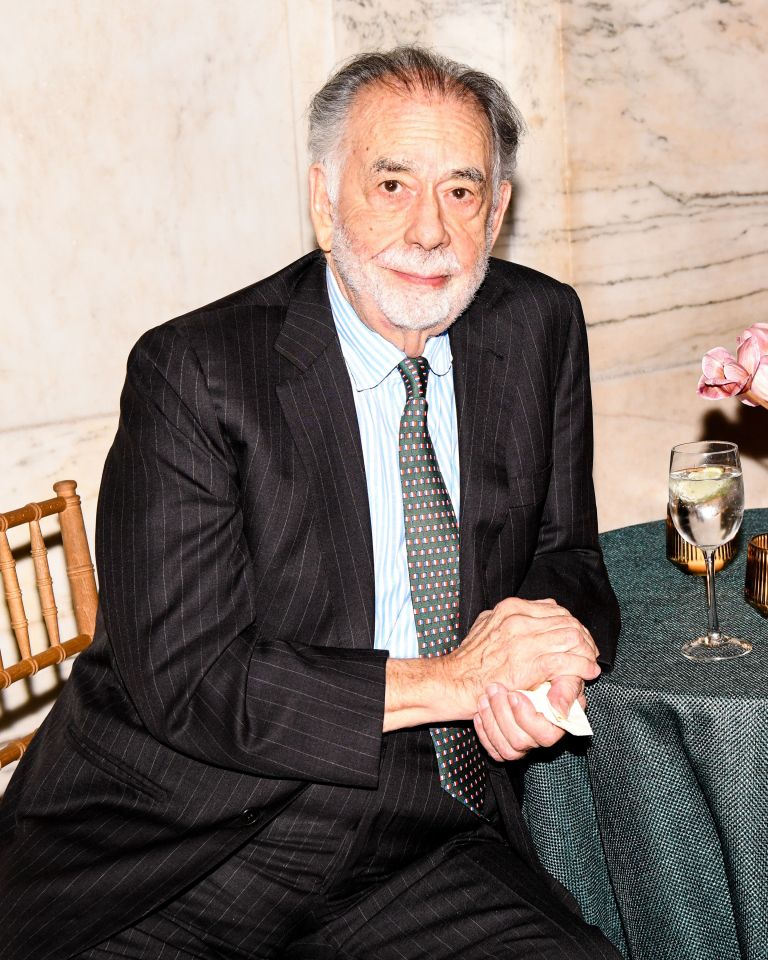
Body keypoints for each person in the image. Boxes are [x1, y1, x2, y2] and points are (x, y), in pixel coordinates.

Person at [0, 46, 621, 959]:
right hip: (179, 851)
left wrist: (548, 654)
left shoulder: (539, 327)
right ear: (325, 200)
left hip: (418, 837)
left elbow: (567, 554)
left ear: (498, 210)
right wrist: (456, 678)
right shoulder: (197, 374)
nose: (429, 231)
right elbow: (194, 679)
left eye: (461, 191)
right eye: (392, 183)